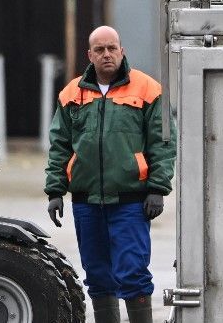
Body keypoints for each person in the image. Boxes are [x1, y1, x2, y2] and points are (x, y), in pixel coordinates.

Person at [45, 26, 176, 323]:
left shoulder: (148, 90)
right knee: (98, 275)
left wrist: (157, 188)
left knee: (133, 273)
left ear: (122, 51)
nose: (107, 54)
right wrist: (55, 191)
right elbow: (59, 145)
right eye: (100, 50)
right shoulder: (71, 94)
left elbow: (164, 143)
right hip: (86, 202)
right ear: (89, 55)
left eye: (112, 48)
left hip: (130, 202)